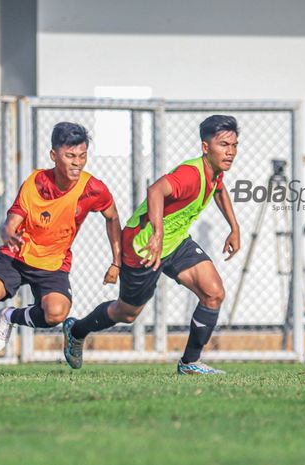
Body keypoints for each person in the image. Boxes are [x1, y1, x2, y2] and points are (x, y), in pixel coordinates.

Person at [0, 122, 121, 377]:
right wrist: (7, 233)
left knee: (56, 314)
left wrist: (116, 262)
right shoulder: (36, 183)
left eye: (82, 156)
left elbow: (112, 217)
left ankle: (10, 316)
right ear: (54, 155)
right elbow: (10, 223)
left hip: (53, 263)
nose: (77, 163)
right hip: (17, 255)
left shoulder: (93, 189)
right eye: (70, 156)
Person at [63, 115, 241, 375]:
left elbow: (218, 189)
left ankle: (190, 363)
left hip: (175, 242)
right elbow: (155, 190)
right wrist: (156, 234)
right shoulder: (191, 174)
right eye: (224, 144)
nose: (230, 151)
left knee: (213, 293)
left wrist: (234, 227)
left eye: (234, 145)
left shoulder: (214, 173)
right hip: (143, 246)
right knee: (126, 313)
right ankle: (77, 330)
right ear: (205, 147)